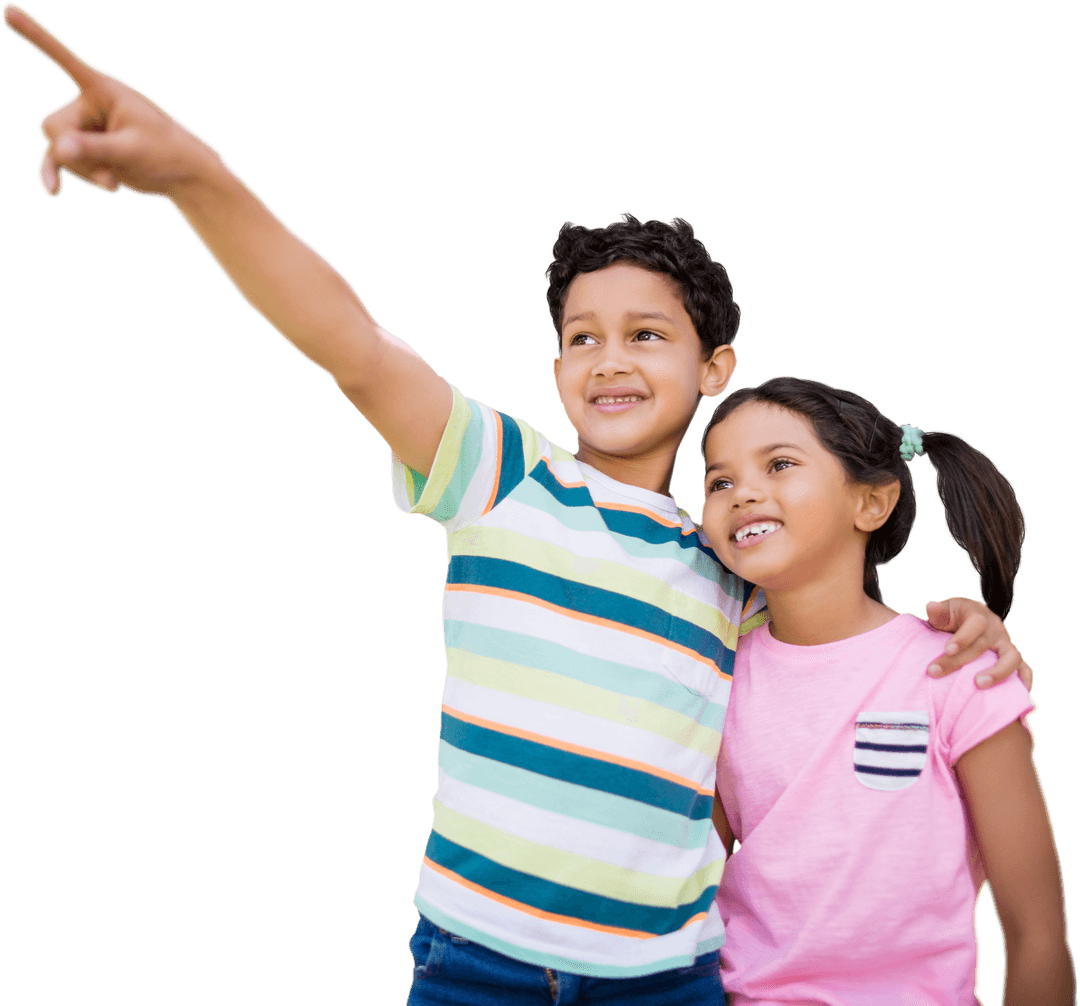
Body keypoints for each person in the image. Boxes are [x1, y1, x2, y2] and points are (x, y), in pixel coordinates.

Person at [3, 6, 1032, 1002]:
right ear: (552, 369)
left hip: (668, 978)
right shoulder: (504, 475)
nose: (610, 359)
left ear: (715, 365)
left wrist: (965, 623)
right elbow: (349, 343)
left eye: (646, 334)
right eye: (583, 337)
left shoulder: (726, 566)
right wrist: (195, 174)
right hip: (477, 963)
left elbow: (836, 640)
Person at [700, 377, 1074, 1005]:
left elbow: (1037, 931)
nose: (745, 495)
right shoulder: (714, 679)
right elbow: (692, 886)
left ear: (871, 504)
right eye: (720, 482)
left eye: (781, 464)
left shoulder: (959, 669)